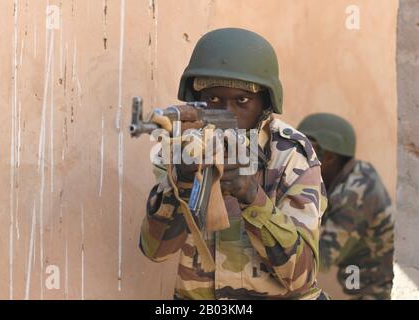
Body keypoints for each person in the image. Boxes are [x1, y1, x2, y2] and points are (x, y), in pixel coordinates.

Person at [139, 28, 327, 300]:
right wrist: (180, 183)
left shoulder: (289, 154)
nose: (227, 113)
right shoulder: (185, 149)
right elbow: (155, 251)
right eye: (214, 99)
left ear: (265, 102)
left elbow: (302, 277)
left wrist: (253, 198)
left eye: (242, 100)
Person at [298, 113, 394, 300]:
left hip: (375, 290)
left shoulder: (355, 193)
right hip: (362, 282)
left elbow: (320, 259)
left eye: (306, 151)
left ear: (330, 157)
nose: (297, 157)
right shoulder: (343, 178)